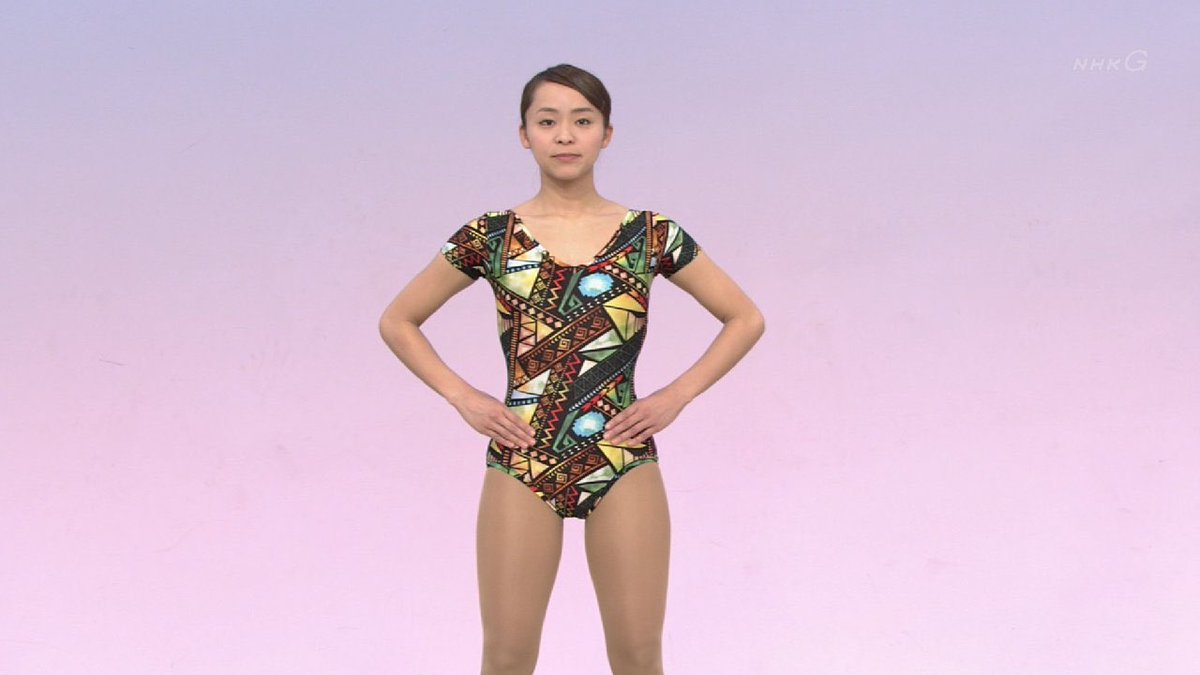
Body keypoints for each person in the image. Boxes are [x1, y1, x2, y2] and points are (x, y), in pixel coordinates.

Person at [378, 63, 765, 675]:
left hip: (620, 455)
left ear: (606, 134)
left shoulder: (649, 234)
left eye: (582, 121)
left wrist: (675, 396)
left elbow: (745, 317)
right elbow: (398, 320)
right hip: (524, 458)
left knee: (638, 654)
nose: (565, 135)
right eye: (547, 121)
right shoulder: (491, 237)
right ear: (523, 134)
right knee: (507, 656)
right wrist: (465, 398)